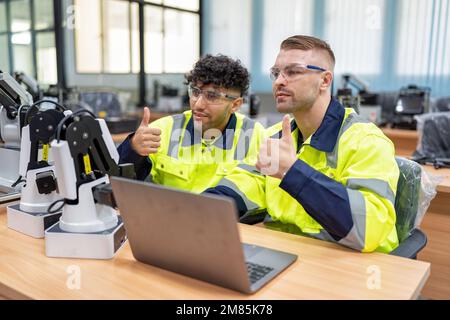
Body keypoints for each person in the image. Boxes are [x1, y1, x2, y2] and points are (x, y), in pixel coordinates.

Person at [206, 35, 400, 253]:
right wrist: (198, 209)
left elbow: (367, 229)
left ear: (325, 81)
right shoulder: (274, 137)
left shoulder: (366, 141)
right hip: (290, 256)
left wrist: (292, 172)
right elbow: (245, 184)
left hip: (353, 267)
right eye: (276, 73)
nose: (278, 81)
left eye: (293, 71)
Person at [118, 54, 265, 193]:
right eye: (195, 92)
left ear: (235, 105)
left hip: (226, 218)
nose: (198, 104)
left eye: (212, 96)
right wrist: (133, 150)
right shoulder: (163, 130)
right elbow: (116, 182)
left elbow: (255, 190)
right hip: (169, 216)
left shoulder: (253, 135)